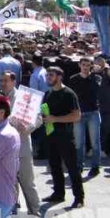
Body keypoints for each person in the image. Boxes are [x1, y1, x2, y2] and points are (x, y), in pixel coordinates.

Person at [41, 65, 84, 208]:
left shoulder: (68, 93)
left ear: (59, 77)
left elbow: (76, 116)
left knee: (72, 167)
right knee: (54, 166)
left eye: (51, 75)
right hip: (50, 135)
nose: (48, 78)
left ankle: (79, 198)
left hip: (65, 136)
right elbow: (46, 114)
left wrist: (55, 119)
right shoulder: (47, 94)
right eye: (47, 75)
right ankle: (58, 193)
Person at [0, 71, 40, 215]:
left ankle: (35, 211)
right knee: (9, 183)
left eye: (6, 80)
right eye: (1, 80)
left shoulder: (24, 97)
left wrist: (28, 128)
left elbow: (38, 118)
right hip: (5, 149)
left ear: (14, 82)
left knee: (27, 182)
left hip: (22, 147)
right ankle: (12, 209)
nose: (3, 83)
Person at [68, 56, 102, 176]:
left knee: (95, 142)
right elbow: (71, 96)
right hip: (78, 113)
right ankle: (79, 166)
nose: (85, 67)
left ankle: (95, 166)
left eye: (88, 65)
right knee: (79, 142)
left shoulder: (96, 77)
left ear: (91, 66)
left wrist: (93, 74)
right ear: (79, 65)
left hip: (93, 113)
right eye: (83, 65)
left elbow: (96, 90)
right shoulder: (73, 79)